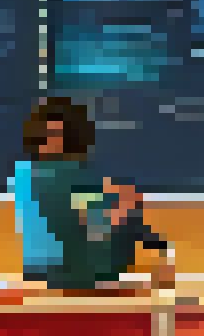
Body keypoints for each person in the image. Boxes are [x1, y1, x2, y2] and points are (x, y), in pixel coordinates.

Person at [10, 96, 176, 292]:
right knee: (129, 216)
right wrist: (122, 207)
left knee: (123, 210)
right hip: (70, 273)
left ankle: (155, 250)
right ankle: (158, 254)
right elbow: (91, 222)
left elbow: (75, 212)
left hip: (34, 270)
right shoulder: (68, 173)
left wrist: (109, 198)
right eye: (53, 134)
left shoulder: (24, 172)